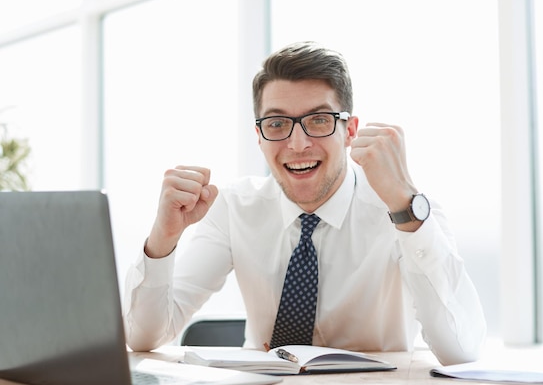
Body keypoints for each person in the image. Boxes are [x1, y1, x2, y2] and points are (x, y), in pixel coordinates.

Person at [123, 41, 486, 365]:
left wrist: (406, 207)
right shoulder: (235, 208)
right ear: (260, 137)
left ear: (351, 130)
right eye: (278, 123)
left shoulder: (406, 210)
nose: (297, 144)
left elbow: (461, 351)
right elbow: (144, 338)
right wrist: (163, 237)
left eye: (318, 120)